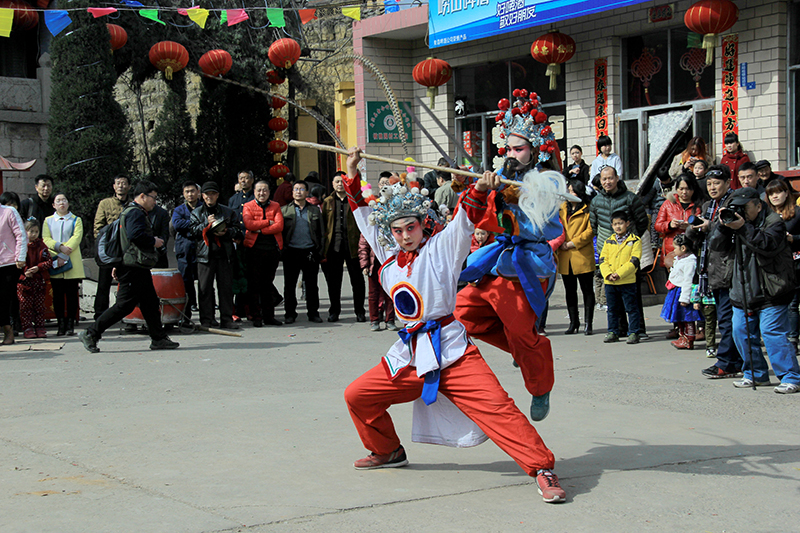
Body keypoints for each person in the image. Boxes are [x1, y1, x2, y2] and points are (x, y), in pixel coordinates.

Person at [342, 146, 567, 504]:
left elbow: (466, 216)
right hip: (411, 354)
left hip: (451, 350)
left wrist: (480, 188)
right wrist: (353, 172)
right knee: (357, 396)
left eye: (410, 227)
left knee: (499, 409)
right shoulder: (387, 253)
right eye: (397, 230)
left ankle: (541, 467)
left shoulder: (441, 248)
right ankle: (387, 450)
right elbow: (364, 215)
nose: (404, 236)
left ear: (423, 224)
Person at [455, 90, 565, 422]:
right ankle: (522, 348)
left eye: (520, 149)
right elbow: (482, 218)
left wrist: (514, 199)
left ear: (534, 150)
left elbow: (546, 228)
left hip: (527, 266)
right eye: (509, 148)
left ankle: (540, 383)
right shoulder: (502, 176)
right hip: (498, 260)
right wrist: (487, 191)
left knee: (522, 333)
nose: (512, 154)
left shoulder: (546, 182)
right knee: (460, 315)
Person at [709, 187, 800, 394]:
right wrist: (723, 227)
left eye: (744, 207)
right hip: (742, 289)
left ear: (758, 206)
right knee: (741, 332)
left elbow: (766, 245)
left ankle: (791, 376)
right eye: (736, 207)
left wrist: (742, 227)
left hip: (771, 289)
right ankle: (754, 373)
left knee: (772, 333)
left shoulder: (774, 222)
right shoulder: (733, 222)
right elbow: (716, 246)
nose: (739, 211)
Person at [79, 182, 180, 353]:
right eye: (153, 198)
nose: (155, 202)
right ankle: (91, 333)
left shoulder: (130, 211)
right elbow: (135, 235)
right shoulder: (135, 213)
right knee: (124, 306)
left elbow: (122, 241)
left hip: (134, 265)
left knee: (150, 302)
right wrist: (153, 241)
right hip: (133, 267)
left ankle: (159, 338)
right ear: (142, 196)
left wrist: (117, 264)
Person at [685, 165, 744, 379]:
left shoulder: (733, 203)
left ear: (728, 183)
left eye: (717, 183)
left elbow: (721, 236)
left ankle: (727, 362)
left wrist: (709, 226)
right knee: (724, 319)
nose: (712, 187)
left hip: (730, 269)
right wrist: (694, 228)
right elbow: (694, 236)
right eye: (709, 183)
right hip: (711, 270)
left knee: (727, 320)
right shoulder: (708, 205)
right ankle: (734, 361)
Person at [589, 166, 650, 338]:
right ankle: (619, 329)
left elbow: (642, 221)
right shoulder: (596, 201)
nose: (607, 182)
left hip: (627, 252)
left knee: (632, 294)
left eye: (610, 178)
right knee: (613, 296)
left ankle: (638, 329)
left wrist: (631, 241)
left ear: (617, 178)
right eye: (604, 179)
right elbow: (594, 226)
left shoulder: (630, 198)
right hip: (607, 253)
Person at [190, 181, 242, 330]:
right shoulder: (196, 213)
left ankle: (226, 319)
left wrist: (226, 232)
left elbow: (238, 231)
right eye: (207, 194)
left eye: (213, 194)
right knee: (205, 288)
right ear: (202, 196)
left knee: (226, 288)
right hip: (205, 255)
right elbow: (192, 231)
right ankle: (207, 320)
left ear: (217, 195)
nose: (210, 197)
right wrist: (206, 225)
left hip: (224, 255)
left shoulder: (228, 212)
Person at [322, 171, 366, 323]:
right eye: (337, 182)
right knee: (334, 282)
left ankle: (360, 311)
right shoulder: (327, 201)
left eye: (342, 181)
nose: (340, 184)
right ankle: (334, 311)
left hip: (353, 245)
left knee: (357, 280)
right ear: (332, 184)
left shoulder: (354, 200)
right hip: (334, 246)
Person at [280, 180, 325, 324]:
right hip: (291, 251)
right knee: (290, 285)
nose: (298, 191)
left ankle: (313, 313)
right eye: (296, 189)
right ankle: (290, 313)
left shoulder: (314, 210)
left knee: (312, 285)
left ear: (307, 193)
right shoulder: (284, 210)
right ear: (292, 193)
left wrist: (320, 251)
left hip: (310, 251)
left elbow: (322, 232)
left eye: (302, 189)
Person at [242, 180, 284, 327]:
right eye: (259, 190)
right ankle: (256, 316)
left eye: (265, 190)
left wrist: (259, 229)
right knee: (254, 284)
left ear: (269, 192)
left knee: (267, 284)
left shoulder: (276, 205)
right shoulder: (248, 206)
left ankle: (269, 316)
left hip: (272, 249)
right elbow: (249, 224)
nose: (262, 193)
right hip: (254, 249)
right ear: (254, 192)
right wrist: (268, 223)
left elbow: (279, 226)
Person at [764, 178, 800, 347]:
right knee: (779, 304)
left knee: (793, 304)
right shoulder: (766, 215)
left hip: (795, 263)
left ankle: (793, 339)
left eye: (778, 192)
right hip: (774, 266)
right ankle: (781, 338)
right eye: (771, 194)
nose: (775, 196)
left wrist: (794, 238)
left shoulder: (797, 212)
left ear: (786, 193)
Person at [43, 193, 84, 337]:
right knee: (58, 295)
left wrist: (65, 253)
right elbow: (46, 238)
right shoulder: (48, 221)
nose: (62, 203)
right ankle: (60, 323)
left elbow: (77, 237)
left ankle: (70, 324)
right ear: (53, 205)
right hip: (56, 261)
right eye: (58, 201)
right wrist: (59, 248)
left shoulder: (76, 220)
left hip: (71, 260)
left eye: (64, 200)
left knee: (72, 294)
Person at [558, 179, 596, 335]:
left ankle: (589, 323)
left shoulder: (588, 210)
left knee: (587, 290)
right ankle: (574, 322)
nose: (569, 193)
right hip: (565, 256)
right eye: (569, 190)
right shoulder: (562, 208)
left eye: (572, 191)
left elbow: (590, 231)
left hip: (581, 254)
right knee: (570, 291)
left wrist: (572, 243)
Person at [600, 209, 643, 344]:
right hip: (610, 282)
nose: (618, 226)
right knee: (612, 309)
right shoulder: (608, 241)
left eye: (621, 223)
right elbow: (602, 260)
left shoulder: (635, 241)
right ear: (611, 226)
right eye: (615, 224)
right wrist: (608, 274)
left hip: (627, 281)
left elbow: (634, 261)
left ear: (627, 223)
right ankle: (613, 331)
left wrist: (619, 274)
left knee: (631, 308)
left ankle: (634, 332)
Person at [93, 175, 132, 320]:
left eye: (124, 183)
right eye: (118, 183)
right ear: (114, 186)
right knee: (103, 283)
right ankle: (100, 314)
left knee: (126, 283)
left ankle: (124, 313)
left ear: (128, 187)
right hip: (109, 249)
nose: (121, 186)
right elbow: (98, 227)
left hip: (126, 250)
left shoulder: (132, 204)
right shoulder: (105, 203)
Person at [659, 234, 702, 349]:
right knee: (679, 318)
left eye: (675, 248)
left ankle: (689, 339)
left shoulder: (690, 261)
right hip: (676, 290)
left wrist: (685, 298)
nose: (673, 250)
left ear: (683, 248)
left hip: (683, 292)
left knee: (687, 318)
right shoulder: (680, 258)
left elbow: (688, 280)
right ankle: (682, 336)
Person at [654, 174, 703, 268]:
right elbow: (658, 226)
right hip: (671, 251)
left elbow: (703, 228)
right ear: (676, 189)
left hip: (691, 251)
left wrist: (690, 227)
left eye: (688, 189)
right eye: (681, 189)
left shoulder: (699, 205)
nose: (684, 192)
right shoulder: (668, 204)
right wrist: (669, 225)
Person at [17, 219, 52, 339]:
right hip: (25, 282)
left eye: (36, 231)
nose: (34, 234)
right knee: (25, 306)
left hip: (39, 280)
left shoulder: (41, 245)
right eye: (31, 231)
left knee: (39, 306)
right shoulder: (21, 245)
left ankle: (40, 327)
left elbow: (49, 261)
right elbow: (16, 261)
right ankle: (27, 328)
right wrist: (26, 270)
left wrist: (38, 267)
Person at [171, 181, 199, 324]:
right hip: (184, 250)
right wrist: (197, 223)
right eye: (187, 191)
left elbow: (209, 222)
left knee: (204, 283)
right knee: (185, 283)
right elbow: (177, 224)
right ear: (183, 194)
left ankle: (208, 315)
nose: (190, 194)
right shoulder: (179, 210)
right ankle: (186, 316)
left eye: (192, 191)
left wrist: (187, 223)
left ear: (198, 192)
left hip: (201, 248)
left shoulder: (204, 207)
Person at [0, 199, 27, 345]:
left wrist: (20, 257)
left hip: (8, 262)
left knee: (4, 299)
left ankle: (8, 331)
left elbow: (21, 235)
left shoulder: (9, 211)